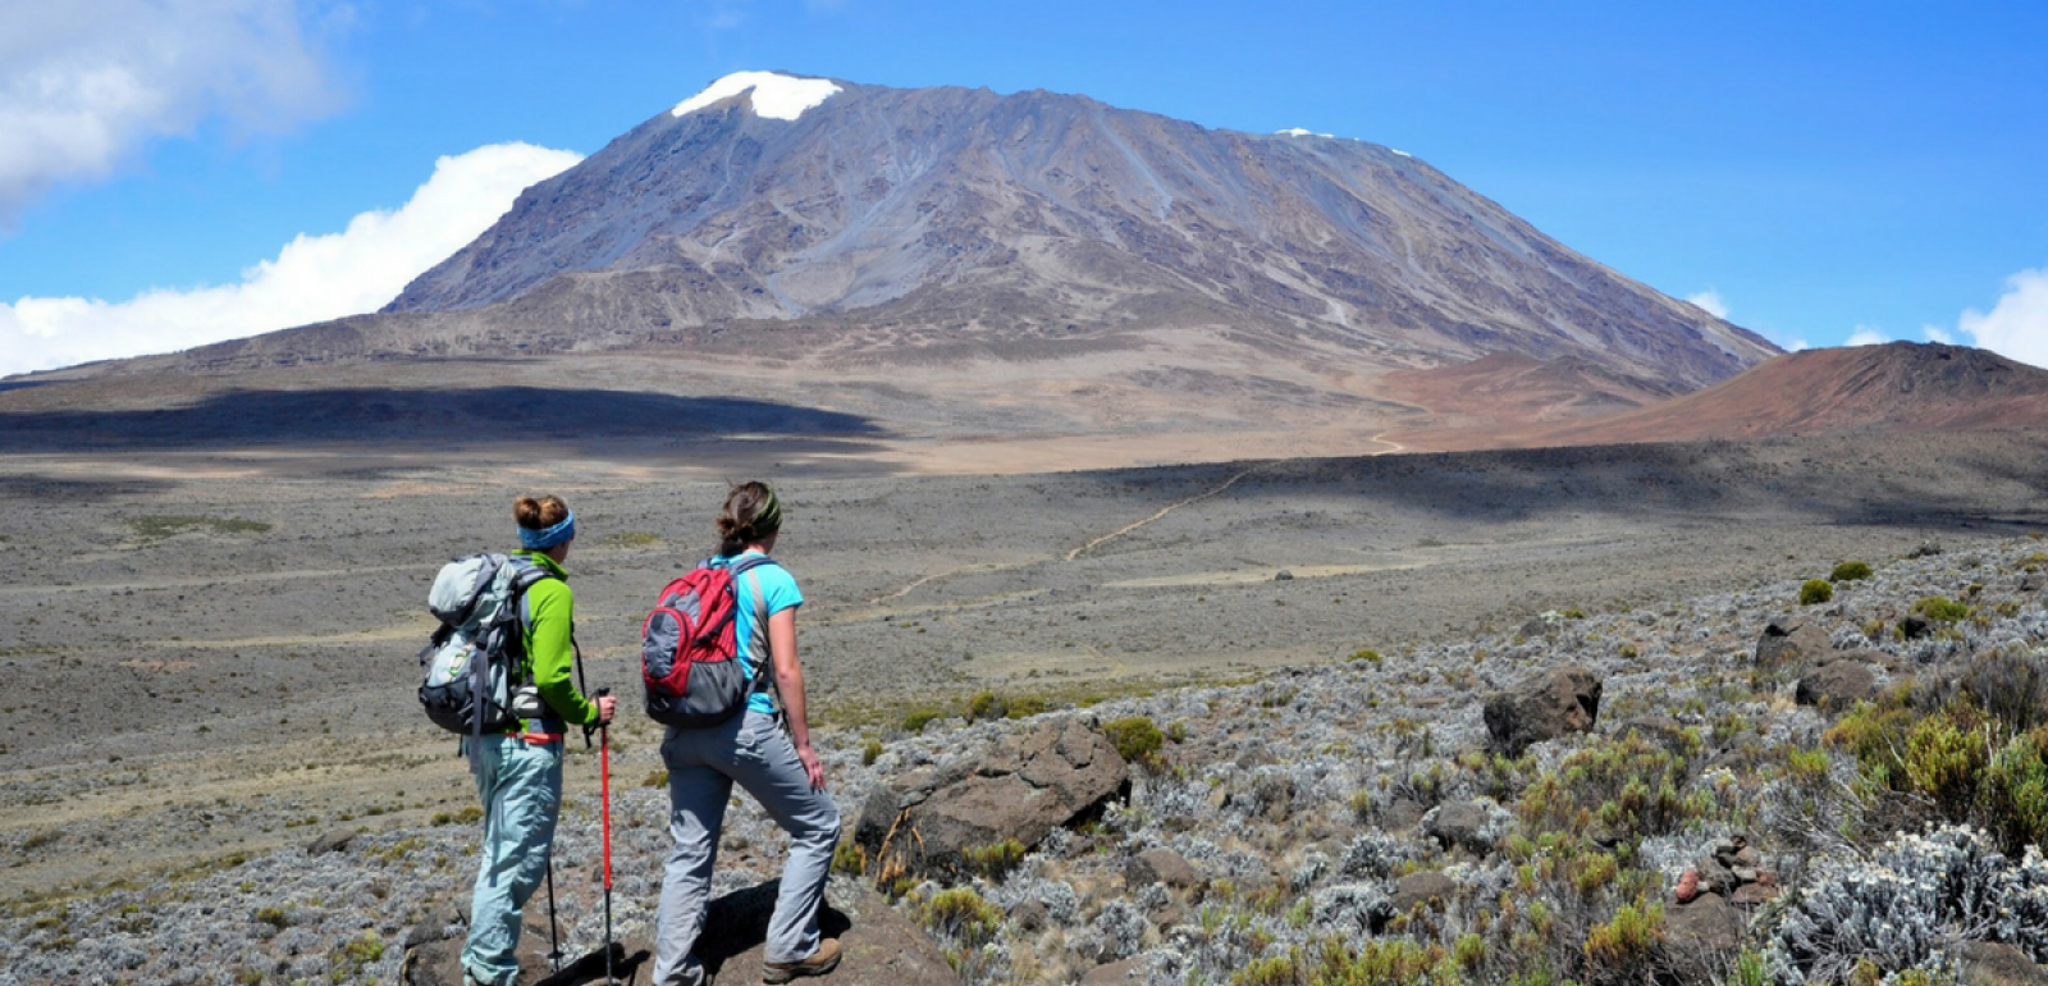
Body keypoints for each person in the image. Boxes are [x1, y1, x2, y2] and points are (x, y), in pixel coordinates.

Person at [654, 481, 842, 986]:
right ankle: (789, 949)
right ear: (774, 527)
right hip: (743, 727)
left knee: (689, 854)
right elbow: (786, 671)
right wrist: (804, 746)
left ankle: (671, 975)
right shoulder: (774, 580)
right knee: (820, 825)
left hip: (685, 729)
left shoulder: (703, 574)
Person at [462, 494, 618, 986]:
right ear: (562, 540)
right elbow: (552, 678)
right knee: (514, 867)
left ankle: (480, 967)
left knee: (500, 855)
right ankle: (487, 976)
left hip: (487, 738)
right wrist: (590, 711)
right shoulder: (551, 591)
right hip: (527, 743)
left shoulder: (502, 579)